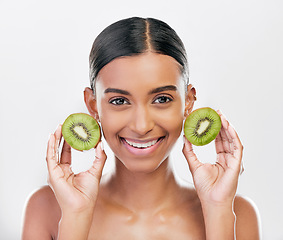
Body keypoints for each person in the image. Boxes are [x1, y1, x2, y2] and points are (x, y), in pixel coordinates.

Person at [22, 17, 261, 240]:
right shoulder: (47, 209)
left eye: (162, 99)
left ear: (188, 102)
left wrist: (218, 209)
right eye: (119, 101)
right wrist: (76, 215)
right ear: (93, 105)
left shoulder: (237, 213)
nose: (142, 126)